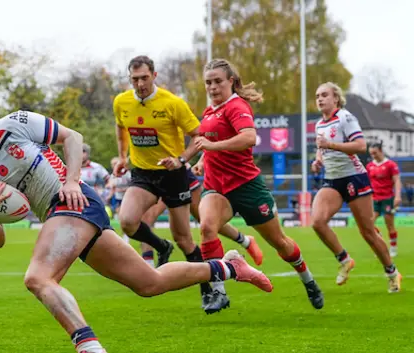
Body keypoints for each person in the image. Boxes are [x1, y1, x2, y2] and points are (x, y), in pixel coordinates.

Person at [0, 106, 273, 353]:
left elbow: (73, 137)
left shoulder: (14, 125)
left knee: (38, 277)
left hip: (72, 201)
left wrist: (70, 180)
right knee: (149, 283)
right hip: (63, 215)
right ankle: (228, 268)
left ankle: (89, 349)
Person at [187, 58, 323, 313]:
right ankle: (218, 292)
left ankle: (308, 279)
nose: (213, 87)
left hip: (247, 187)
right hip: (217, 186)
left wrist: (211, 147)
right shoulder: (209, 112)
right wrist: (203, 161)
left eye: (217, 81)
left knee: (280, 243)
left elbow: (249, 137)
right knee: (207, 227)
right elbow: (210, 142)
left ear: (230, 81)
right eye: (208, 82)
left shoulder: (237, 106)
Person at [113, 55, 214, 308]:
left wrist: (181, 159)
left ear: (154, 76)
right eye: (134, 79)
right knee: (126, 221)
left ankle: (208, 289)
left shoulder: (172, 103)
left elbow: (198, 136)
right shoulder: (121, 101)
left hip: (173, 176)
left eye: (144, 78)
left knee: (184, 238)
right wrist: (122, 157)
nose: (140, 84)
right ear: (130, 79)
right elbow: (120, 127)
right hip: (143, 174)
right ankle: (161, 247)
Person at [311, 82, 401, 293]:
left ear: (336, 98)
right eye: (317, 96)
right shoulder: (318, 125)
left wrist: (331, 145)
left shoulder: (346, 117)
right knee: (317, 222)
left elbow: (361, 146)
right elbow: (321, 149)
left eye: (324, 95)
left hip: (354, 178)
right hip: (332, 180)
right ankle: (344, 260)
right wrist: (318, 161)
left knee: (368, 232)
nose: (320, 99)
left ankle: (392, 272)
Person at [139, 159, 264, 272]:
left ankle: (245, 241)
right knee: (146, 218)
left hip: (178, 175)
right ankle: (148, 266)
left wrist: (192, 160)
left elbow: (198, 139)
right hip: (151, 174)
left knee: (206, 220)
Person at [367, 142, 401, 257]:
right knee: (369, 224)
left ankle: (393, 247)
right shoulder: (370, 166)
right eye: (371, 154)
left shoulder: (390, 164)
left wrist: (398, 196)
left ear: (381, 151)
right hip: (374, 198)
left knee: (389, 224)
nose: (373, 156)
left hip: (387, 198)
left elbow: (397, 181)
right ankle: (380, 245)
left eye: (375, 153)